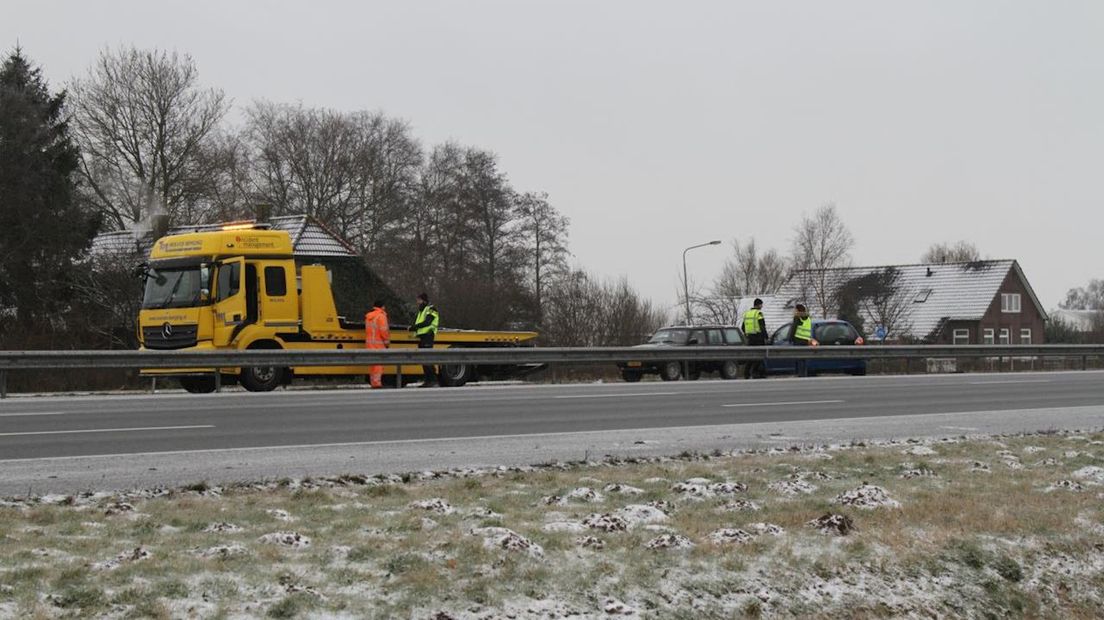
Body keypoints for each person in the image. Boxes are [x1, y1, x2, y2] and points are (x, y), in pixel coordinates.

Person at [411, 292, 440, 387]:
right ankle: (428, 381)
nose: (417, 302)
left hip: (428, 336)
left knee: (427, 359)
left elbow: (427, 322)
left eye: (419, 300)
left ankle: (433, 380)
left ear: (424, 300)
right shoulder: (422, 310)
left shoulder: (431, 309)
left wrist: (415, 327)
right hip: (422, 337)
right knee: (424, 359)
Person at [364, 300, 390, 389]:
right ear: (382, 307)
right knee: (379, 365)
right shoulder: (381, 316)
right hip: (379, 344)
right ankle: (377, 383)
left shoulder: (369, 316)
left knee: (373, 365)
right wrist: (386, 341)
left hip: (370, 344)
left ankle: (373, 382)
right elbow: (384, 330)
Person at [743, 298, 767, 379]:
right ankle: (756, 372)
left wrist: (747, 334)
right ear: (758, 305)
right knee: (760, 356)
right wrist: (766, 337)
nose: (762, 306)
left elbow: (743, 327)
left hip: (750, 338)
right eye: (761, 304)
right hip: (759, 338)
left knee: (751, 356)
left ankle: (746, 373)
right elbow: (762, 326)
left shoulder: (747, 313)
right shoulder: (759, 313)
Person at [789, 303, 812, 377]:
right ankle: (804, 374)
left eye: (795, 310)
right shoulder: (808, 318)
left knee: (799, 358)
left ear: (798, 310)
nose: (794, 311)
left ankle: (800, 374)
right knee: (804, 358)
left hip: (798, 340)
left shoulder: (797, 318)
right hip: (806, 340)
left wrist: (790, 338)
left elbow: (794, 328)